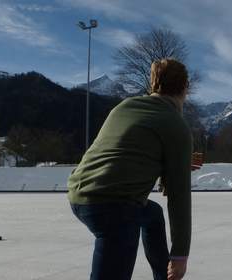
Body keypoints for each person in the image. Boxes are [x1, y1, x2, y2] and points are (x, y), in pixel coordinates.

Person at [68, 59, 193, 280]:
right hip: (113, 206)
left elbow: (122, 153)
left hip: (78, 194)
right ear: (185, 88)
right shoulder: (175, 124)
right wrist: (180, 255)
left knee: (152, 214)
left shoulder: (124, 106)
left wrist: (166, 167)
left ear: (152, 84)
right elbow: (179, 196)